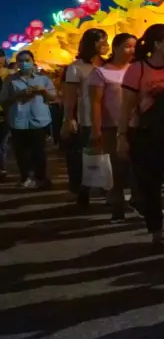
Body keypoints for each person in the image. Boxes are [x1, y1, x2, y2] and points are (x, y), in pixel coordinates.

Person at [119, 24, 164, 253]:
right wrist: (122, 136)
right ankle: (157, 234)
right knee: (149, 186)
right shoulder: (137, 69)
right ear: (157, 44)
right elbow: (127, 106)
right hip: (145, 135)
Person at [87, 33, 137, 220]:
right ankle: (117, 205)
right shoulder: (101, 72)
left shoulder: (135, 69)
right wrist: (96, 128)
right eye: (127, 46)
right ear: (115, 48)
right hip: (112, 127)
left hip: (135, 126)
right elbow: (96, 103)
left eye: (133, 46)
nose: (131, 50)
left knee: (136, 166)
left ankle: (137, 201)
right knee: (115, 168)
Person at [63, 28, 109, 206]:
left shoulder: (107, 65)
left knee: (106, 157)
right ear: (92, 44)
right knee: (87, 158)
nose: (106, 45)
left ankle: (109, 192)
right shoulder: (76, 67)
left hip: (109, 118)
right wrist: (68, 118)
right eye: (102, 41)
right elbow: (70, 96)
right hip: (88, 119)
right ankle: (83, 192)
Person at [1, 51, 57, 188]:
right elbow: (3, 100)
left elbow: (53, 97)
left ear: (33, 61)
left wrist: (43, 91)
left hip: (38, 120)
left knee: (39, 151)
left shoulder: (43, 79)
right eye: (20, 60)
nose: (24, 63)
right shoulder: (10, 80)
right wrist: (19, 95)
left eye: (27, 60)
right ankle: (25, 177)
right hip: (18, 120)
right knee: (21, 153)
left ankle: (41, 178)